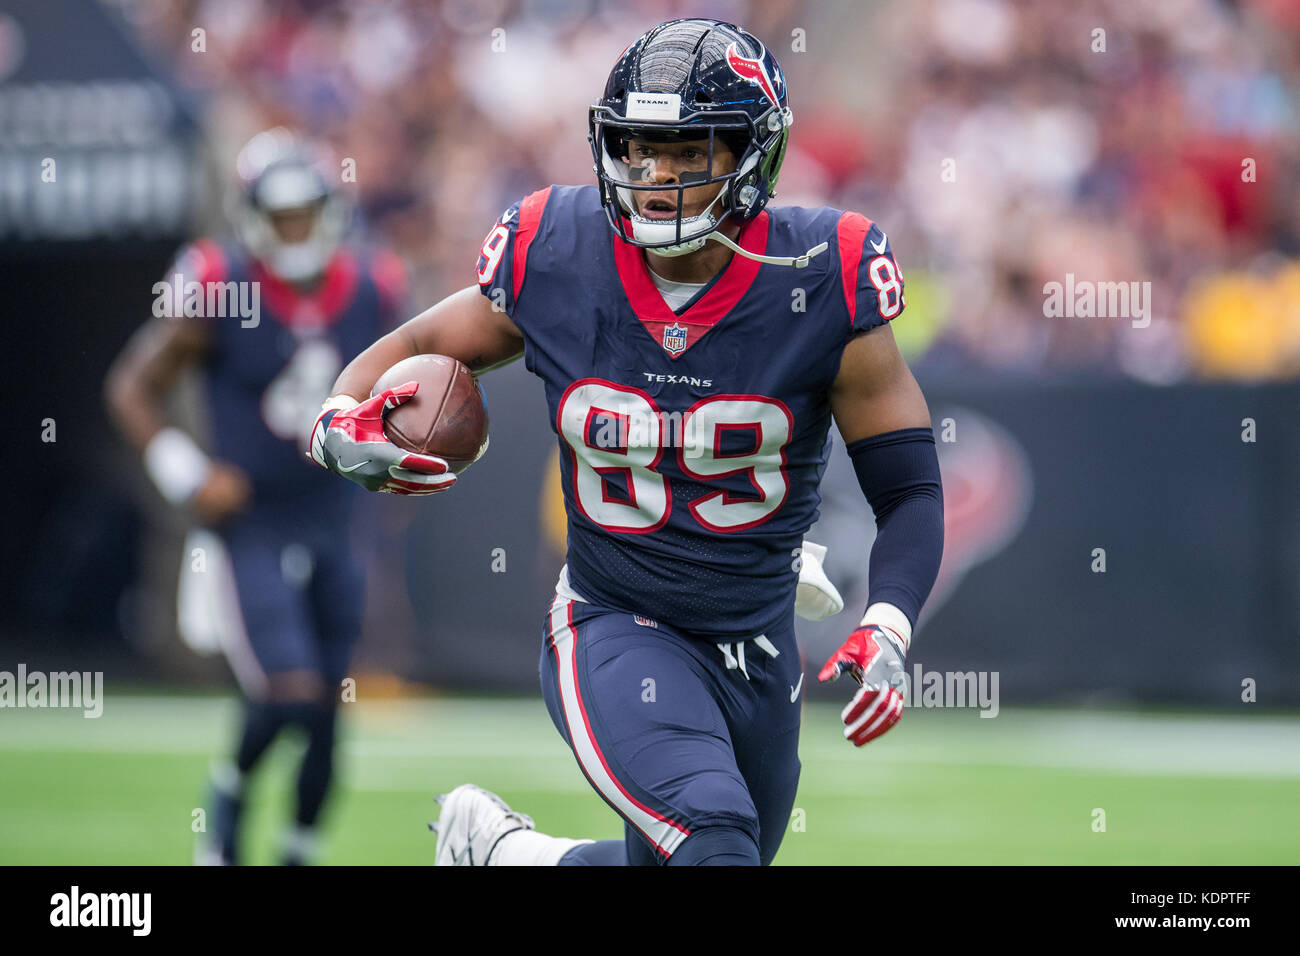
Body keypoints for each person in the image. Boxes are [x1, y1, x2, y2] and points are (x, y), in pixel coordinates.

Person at [309, 18, 944, 866]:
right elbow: (408, 349)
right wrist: (335, 424)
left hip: (756, 643)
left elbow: (909, 489)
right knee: (714, 844)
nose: (656, 178)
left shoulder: (822, 276)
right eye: (638, 149)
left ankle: (504, 856)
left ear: (756, 157)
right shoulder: (560, 252)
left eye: (689, 152)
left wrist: (892, 623)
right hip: (615, 618)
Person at [106, 128, 407, 865]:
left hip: (333, 513)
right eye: (282, 215)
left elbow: (403, 388)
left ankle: (298, 849)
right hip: (252, 522)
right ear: (251, 217)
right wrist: (187, 473)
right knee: (290, 688)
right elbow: (132, 387)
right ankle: (230, 797)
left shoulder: (374, 285)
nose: (296, 229)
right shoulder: (219, 281)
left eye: (306, 211)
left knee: (330, 711)